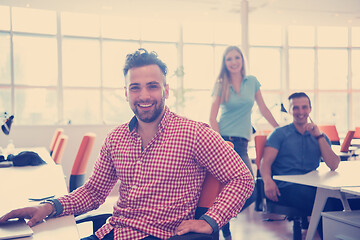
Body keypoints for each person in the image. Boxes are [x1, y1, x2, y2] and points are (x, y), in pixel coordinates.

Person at [0, 49, 255, 240]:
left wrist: (211, 220)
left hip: (158, 235)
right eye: (135, 88)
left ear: (166, 89)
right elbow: (94, 193)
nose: (144, 96)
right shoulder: (116, 138)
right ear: (126, 92)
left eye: (152, 87)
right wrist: (48, 207)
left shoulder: (194, 133)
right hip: (112, 232)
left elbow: (242, 179)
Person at [209, 45, 279, 240]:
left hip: (242, 144)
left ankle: (221, 219)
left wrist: (278, 127)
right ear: (225, 63)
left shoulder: (252, 82)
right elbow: (212, 117)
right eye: (229, 59)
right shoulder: (221, 84)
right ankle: (222, 225)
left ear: (242, 60)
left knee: (251, 192)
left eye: (236, 58)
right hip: (224, 142)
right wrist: (219, 143)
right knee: (223, 188)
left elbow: (263, 109)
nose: (233, 62)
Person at [259, 92, 341, 238]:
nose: (300, 112)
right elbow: (265, 162)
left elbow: (333, 164)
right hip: (285, 187)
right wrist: (267, 181)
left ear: (310, 109)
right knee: (325, 202)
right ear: (290, 110)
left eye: (304, 107)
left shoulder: (319, 135)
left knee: (344, 200)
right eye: (295, 108)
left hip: (311, 185)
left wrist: (319, 136)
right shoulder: (279, 134)